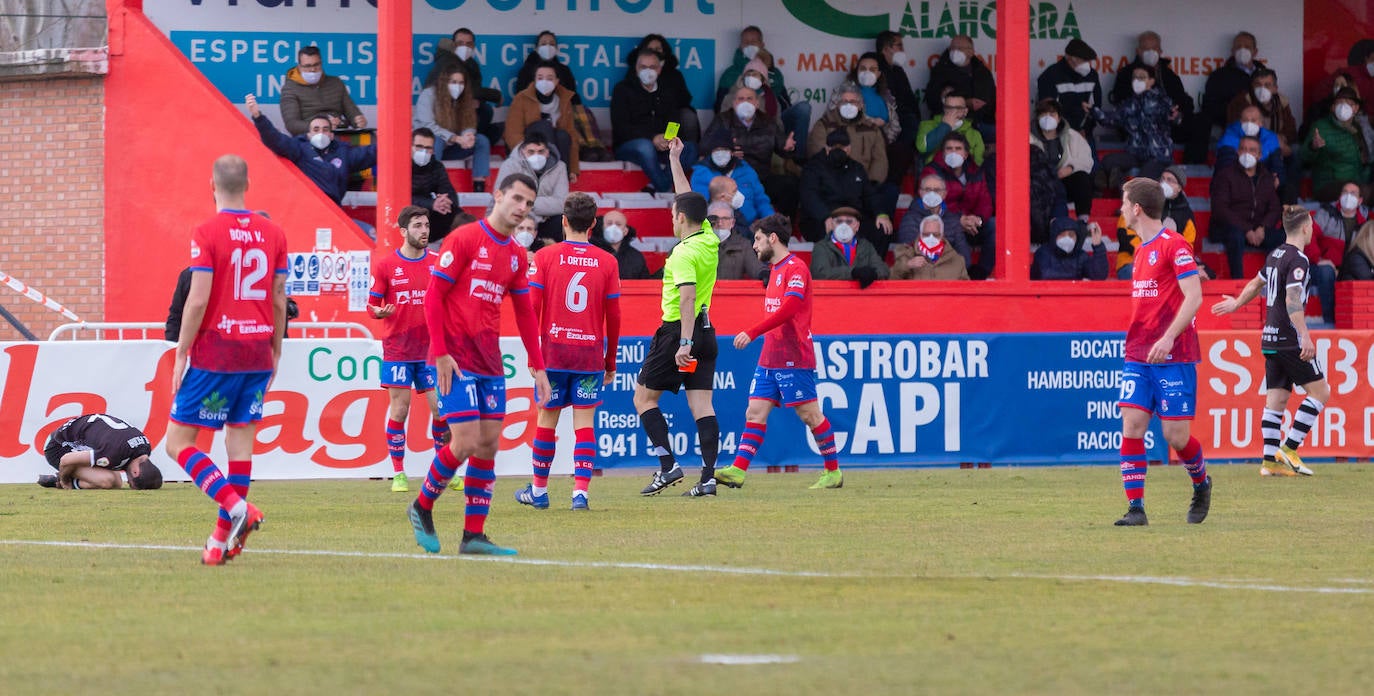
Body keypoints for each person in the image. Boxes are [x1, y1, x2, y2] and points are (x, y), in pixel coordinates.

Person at [406, 173, 551, 556]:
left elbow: (524, 314)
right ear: (498, 195)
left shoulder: (517, 255)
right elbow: (433, 297)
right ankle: (421, 505)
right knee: (466, 440)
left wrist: (538, 367)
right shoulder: (466, 238)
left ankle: (473, 536)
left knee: (488, 445)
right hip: (454, 355)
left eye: (529, 205)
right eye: (517, 199)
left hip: (489, 360)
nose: (522, 209)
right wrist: (439, 353)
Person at [166, 154, 287, 565]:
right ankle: (218, 545)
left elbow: (197, 299)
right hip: (256, 352)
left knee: (178, 443)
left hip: (216, 353)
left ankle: (238, 510)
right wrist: (277, 345)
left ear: (212, 186)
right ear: (248, 184)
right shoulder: (274, 232)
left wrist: (182, 351)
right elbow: (277, 297)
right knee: (240, 446)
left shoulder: (206, 231)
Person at [714, 214, 844, 490]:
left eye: (758, 239)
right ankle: (738, 470)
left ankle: (833, 472)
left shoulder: (796, 269)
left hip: (793, 354)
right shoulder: (774, 270)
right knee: (755, 411)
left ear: (773, 238)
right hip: (770, 355)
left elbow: (790, 309)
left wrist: (753, 331)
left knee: (810, 415)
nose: (754, 246)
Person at [1113, 177, 1210, 527]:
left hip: (1175, 354)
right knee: (1132, 424)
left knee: (1175, 437)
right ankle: (1136, 508)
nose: (1121, 210)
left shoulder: (1175, 245)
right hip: (1138, 354)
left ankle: (1201, 483)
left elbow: (1194, 296)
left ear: (1137, 209)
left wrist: (1168, 338)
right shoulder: (1140, 251)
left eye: (1124, 203)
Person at [515, 192, 621, 511]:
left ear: (563, 220)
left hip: (554, 354)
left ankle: (539, 491)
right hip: (588, 354)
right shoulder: (607, 261)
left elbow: (531, 307)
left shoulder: (546, 257)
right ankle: (580, 494)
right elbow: (614, 317)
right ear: (592, 223)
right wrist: (610, 360)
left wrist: (534, 357)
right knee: (584, 426)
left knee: (547, 422)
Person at [1211, 206, 1331, 477]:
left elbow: (1256, 283)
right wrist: (1305, 335)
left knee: (1276, 400)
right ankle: (1288, 449)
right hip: (1289, 338)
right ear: (1304, 228)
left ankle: (1269, 461)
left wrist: (1236, 304)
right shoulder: (1299, 259)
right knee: (1321, 392)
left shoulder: (1275, 254)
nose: (1312, 229)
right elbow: (1292, 299)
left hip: (1269, 337)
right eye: (1311, 225)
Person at [635, 139, 721, 498]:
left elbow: (686, 298)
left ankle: (668, 466)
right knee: (702, 405)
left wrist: (683, 343)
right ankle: (708, 479)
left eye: (673, 214)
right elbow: (686, 198)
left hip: (678, 333)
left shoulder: (683, 252)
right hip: (707, 330)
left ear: (681, 219)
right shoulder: (709, 238)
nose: (672, 218)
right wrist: (675, 159)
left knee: (643, 399)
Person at [368, 206, 444, 494]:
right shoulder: (386, 266)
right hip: (399, 348)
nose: (424, 230)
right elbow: (372, 305)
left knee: (441, 411)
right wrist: (379, 312)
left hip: (431, 351)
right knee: (400, 411)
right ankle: (399, 473)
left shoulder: (438, 263)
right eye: (417, 226)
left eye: (426, 225)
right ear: (403, 231)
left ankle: (441, 471)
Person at [246, 94, 375, 206]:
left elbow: (372, 153)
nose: (321, 133)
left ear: (331, 135)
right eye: (316, 129)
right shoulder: (299, 149)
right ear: (308, 134)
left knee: (370, 232)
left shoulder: (343, 153)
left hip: (335, 212)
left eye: (325, 130)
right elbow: (275, 139)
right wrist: (258, 116)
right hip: (307, 209)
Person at [610, 48, 697, 195]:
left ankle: (655, 185)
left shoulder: (668, 91)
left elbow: (674, 119)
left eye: (653, 67)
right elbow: (621, 127)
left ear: (660, 69)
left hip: (662, 146)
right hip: (631, 147)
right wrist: (652, 138)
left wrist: (668, 137)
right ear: (636, 69)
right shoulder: (623, 89)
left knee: (690, 148)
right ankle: (664, 187)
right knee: (645, 146)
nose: (648, 71)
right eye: (643, 67)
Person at [702, 83, 798, 213]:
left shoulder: (768, 122)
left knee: (790, 185)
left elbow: (782, 147)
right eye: (740, 99)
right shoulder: (723, 120)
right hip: (732, 178)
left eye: (749, 99)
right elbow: (704, 146)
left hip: (761, 177)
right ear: (734, 103)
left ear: (757, 103)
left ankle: (785, 229)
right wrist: (726, 152)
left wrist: (789, 147)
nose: (745, 102)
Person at [714, 27, 811, 152]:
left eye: (753, 41)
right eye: (746, 42)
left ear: (762, 44)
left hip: (773, 123)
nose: (749, 45)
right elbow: (720, 109)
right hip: (740, 128)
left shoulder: (774, 74)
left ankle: (797, 160)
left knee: (803, 108)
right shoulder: (730, 74)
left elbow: (785, 104)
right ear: (740, 45)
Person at [1093, 65, 1180, 192]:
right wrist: (1092, 110)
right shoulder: (1130, 103)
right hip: (1136, 154)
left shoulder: (1162, 100)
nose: (1137, 80)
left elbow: (1174, 115)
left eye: (1141, 77)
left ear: (1151, 81)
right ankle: (1115, 185)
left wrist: (1175, 116)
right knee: (1108, 161)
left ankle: (1129, 208)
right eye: (1134, 77)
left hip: (1157, 156)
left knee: (1140, 182)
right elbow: (1110, 119)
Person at [921, 132, 995, 279]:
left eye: (958, 148)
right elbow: (931, 205)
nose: (953, 152)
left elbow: (985, 201)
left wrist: (978, 219)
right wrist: (959, 220)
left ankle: (981, 273)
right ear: (942, 153)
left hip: (973, 225)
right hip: (946, 223)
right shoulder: (932, 171)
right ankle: (960, 273)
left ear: (966, 154)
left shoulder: (976, 171)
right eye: (949, 149)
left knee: (995, 225)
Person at [797, 130, 889, 246]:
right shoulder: (813, 167)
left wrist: (881, 214)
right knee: (831, 235)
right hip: (822, 218)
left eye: (842, 147)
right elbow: (809, 196)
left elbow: (870, 194)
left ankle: (872, 264)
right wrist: (825, 217)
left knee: (882, 230)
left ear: (849, 148)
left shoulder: (857, 168)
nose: (838, 150)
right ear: (826, 147)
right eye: (833, 146)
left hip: (853, 218)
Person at [1209, 135, 1283, 279]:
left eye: (1252, 150)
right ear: (1237, 152)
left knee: (1282, 237)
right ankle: (1239, 283)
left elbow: (1275, 208)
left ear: (1259, 155)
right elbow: (1220, 209)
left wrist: (1263, 227)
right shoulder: (1225, 174)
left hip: (1256, 228)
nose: (1247, 153)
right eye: (1243, 149)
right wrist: (1246, 229)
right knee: (1235, 236)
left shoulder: (1266, 176)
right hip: (1228, 227)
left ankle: (1273, 282)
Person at [1116, 165, 1206, 280]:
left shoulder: (1186, 215)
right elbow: (1126, 237)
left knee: (1195, 273)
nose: (1164, 183)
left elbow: (1187, 245)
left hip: (1168, 266)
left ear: (1179, 188)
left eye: (1170, 180)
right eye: (1162, 179)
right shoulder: (1144, 202)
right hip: (1132, 263)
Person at [414, 63, 490, 191]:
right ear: (444, 82)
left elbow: (469, 122)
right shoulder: (429, 95)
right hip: (428, 149)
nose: (458, 86)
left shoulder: (464, 98)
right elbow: (428, 126)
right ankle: (431, 184)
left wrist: (468, 135)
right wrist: (455, 138)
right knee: (435, 139)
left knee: (482, 141)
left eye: (461, 83)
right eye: (453, 82)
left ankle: (479, 186)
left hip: (452, 148)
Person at [38, 413, 162, 490]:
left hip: (77, 435)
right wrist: (64, 480)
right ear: (136, 472)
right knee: (107, 481)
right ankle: (59, 481)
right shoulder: (114, 452)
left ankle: (69, 478)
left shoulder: (144, 446)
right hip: (58, 447)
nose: (128, 482)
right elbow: (66, 460)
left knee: (117, 482)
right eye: (131, 484)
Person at [1110, 31, 1194, 145]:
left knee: (1200, 121)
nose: (1150, 52)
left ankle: (1192, 162)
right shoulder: (1126, 74)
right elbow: (1120, 103)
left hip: (1167, 124)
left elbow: (1183, 101)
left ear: (1160, 51)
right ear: (1138, 51)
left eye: (1154, 48)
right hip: (1139, 125)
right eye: (1145, 48)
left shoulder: (1169, 75)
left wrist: (1177, 111)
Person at [1194, 31, 1263, 163]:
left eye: (1247, 47)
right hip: (1228, 124)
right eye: (1238, 47)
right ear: (1232, 51)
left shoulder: (1264, 75)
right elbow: (1209, 106)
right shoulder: (1219, 76)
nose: (1243, 50)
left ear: (1255, 52)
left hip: (1260, 125)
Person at [505, 64, 581, 184]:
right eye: (540, 78)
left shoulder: (564, 100)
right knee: (544, 126)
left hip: (555, 147)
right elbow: (512, 132)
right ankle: (544, 174)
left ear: (557, 81)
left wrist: (573, 169)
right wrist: (525, 155)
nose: (544, 82)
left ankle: (561, 175)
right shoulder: (522, 98)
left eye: (550, 78)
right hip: (529, 149)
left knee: (563, 135)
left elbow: (571, 134)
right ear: (535, 80)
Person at [427, 29, 504, 146]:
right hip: (442, 109)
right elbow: (466, 90)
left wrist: (476, 99)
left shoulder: (471, 63)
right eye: (460, 43)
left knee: (485, 110)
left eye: (469, 44)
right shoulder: (446, 61)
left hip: (462, 108)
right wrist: (495, 95)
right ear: (453, 45)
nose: (465, 47)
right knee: (485, 113)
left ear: (473, 46)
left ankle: (471, 139)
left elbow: (474, 89)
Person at [848, 52, 909, 190]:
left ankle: (889, 189)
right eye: (863, 69)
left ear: (879, 73)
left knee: (901, 150)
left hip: (884, 138)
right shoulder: (845, 91)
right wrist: (871, 123)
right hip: (857, 137)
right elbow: (838, 116)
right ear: (856, 71)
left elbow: (895, 125)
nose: (867, 72)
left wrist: (884, 135)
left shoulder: (886, 95)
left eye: (872, 69)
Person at [1309, 182, 1369, 323]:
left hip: (1349, 269)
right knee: (1326, 272)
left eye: (1353, 193)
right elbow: (1308, 235)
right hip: (1322, 267)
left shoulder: (1366, 220)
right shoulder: (1326, 213)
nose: (1348, 196)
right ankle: (1330, 322)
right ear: (1340, 196)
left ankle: (1359, 321)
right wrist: (1318, 259)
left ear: (1360, 200)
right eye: (1345, 192)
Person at [494, 130, 570, 241]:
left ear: (547, 152)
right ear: (523, 151)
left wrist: (528, 204)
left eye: (541, 151)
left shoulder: (559, 167)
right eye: (531, 152)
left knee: (563, 221)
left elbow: (561, 202)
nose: (536, 156)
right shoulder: (510, 165)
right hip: (517, 217)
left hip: (546, 220)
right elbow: (502, 197)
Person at [691, 130, 773, 227]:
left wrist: (771, 224)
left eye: (724, 149)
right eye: (716, 150)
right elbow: (701, 206)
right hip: (715, 227)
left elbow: (762, 201)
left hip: (748, 227)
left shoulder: (747, 171)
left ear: (732, 152)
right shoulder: (701, 174)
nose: (720, 153)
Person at [279, 45, 365, 136]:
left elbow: (352, 112)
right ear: (299, 67)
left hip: (338, 136)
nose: (312, 69)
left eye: (316, 64)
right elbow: (292, 125)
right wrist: (322, 127)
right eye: (307, 66)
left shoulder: (336, 82)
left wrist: (358, 120)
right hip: (307, 139)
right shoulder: (290, 89)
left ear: (321, 63)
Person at [1031, 98, 1094, 220]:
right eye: (1044, 114)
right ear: (1038, 118)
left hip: (1065, 179)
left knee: (1082, 179)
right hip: (1038, 183)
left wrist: (1070, 168)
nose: (1048, 117)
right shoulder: (1028, 137)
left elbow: (1087, 159)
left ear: (1059, 118)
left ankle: (1083, 220)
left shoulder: (1072, 136)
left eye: (1052, 114)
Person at [1303, 88, 1370, 202]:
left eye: (1350, 104)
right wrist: (1313, 147)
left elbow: (1363, 162)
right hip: (1328, 185)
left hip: (1355, 182)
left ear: (1356, 108)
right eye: (1340, 103)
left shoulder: (1357, 129)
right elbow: (1303, 156)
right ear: (1333, 107)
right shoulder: (1321, 127)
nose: (1344, 107)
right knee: (1363, 191)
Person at [629, 34, 699, 142]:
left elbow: (681, 103)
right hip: (644, 130)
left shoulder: (674, 76)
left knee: (686, 117)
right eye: (650, 49)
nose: (654, 52)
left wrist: (668, 138)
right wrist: (653, 138)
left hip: (670, 121)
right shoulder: (628, 82)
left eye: (658, 49)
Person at [1037, 38, 1102, 151]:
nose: (1087, 65)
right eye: (1083, 60)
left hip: (1084, 134)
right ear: (1070, 58)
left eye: (1088, 61)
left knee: (1091, 166)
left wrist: (1085, 131)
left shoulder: (1092, 75)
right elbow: (1047, 113)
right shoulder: (1050, 75)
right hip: (1058, 136)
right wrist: (1068, 132)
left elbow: (1096, 106)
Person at [897, 174, 972, 265]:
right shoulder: (910, 219)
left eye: (937, 190)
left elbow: (965, 258)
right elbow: (908, 255)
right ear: (920, 192)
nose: (932, 194)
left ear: (945, 194)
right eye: (927, 190)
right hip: (921, 274)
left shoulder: (953, 220)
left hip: (949, 273)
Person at [925, 35, 996, 128]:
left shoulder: (982, 72)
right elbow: (932, 102)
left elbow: (992, 99)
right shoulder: (940, 71)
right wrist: (965, 103)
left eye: (959, 48)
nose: (954, 51)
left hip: (982, 122)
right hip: (952, 124)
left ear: (971, 52)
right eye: (952, 48)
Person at [810, 206, 889, 288]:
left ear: (857, 226)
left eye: (849, 221)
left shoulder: (866, 246)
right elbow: (819, 273)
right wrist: (853, 273)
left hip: (862, 297)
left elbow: (883, 269)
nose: (844, 226)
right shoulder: (822, 247)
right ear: (832, 225)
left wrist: (873, 274)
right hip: (834, 295)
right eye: (839, 221)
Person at [410, 128, 459, 243]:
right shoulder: (400, 164)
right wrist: (432, 203)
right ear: (410, 146)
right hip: (405, 214)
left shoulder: (436, 166)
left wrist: (445, 201)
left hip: (428, 213)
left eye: (428, 148)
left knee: (458, 215)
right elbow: (399, 197)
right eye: (419, 146)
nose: (423, 151)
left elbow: (449, 193)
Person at [915, 89, 987, 166]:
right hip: (935, 175)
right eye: (949, 108)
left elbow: (978, 165)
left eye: (958, 108)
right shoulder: (927, 125)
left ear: (965, 111)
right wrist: (944, 127)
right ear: (944, 109)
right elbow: (922, 147)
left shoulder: (975, 134)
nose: (953, 112)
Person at [890, 214, 970, 281]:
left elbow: (966, 291)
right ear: (920, 234)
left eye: (935, 235)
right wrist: (907, 265)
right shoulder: (907, 255)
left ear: (942, 236)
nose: (931, 238)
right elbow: (891, 280)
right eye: (926, 234)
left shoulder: (957, 260)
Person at [1031, 217, 1109, 280]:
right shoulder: (1043, 253)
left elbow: (1099, 275)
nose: (1067, 238)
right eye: (1062, 234)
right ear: (1054, 235)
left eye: (1071, 235)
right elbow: (1040, 276)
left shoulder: (1081, 256)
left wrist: (1098, 246)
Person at [514, 31, 579, 100]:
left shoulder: (565, 71)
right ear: (536, 48)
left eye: (552, 44)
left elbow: (572, 97)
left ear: (556, 48)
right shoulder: (525, 71)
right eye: (543, 44)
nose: (548, 47)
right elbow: (520, 97)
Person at [710, 200, 764, 281]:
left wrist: (763, 273)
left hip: (730, 292)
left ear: (732, 223)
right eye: (715, 219)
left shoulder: (743, 245)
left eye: (725, 218)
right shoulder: (697, 244)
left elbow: (755, 267)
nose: (720, 223)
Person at [593, 209, 652, 280]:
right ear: (602, 228)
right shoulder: (591, 253)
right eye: (609, 224)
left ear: (625, 231)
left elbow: (644, 285)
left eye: (618, 224)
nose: (613, 228)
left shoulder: (636, 257)